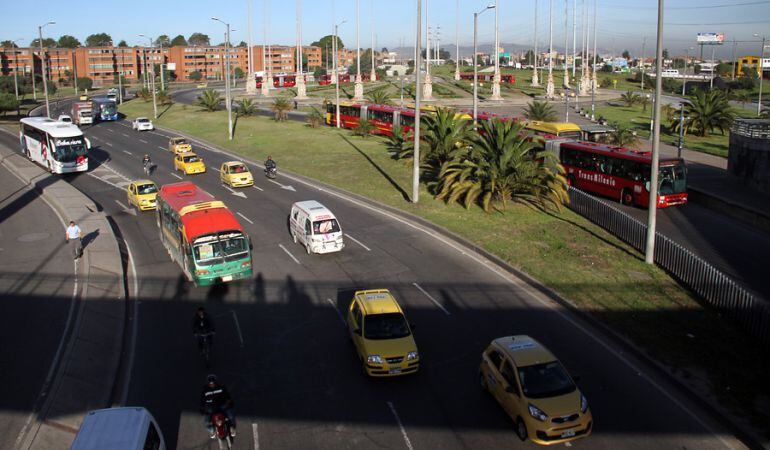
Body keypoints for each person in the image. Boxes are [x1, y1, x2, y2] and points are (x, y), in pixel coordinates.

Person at [200, 374, 236, 439]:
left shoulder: (221, 388)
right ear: (208, 383)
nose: (212, 385)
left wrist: (230, 402)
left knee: (231, 415)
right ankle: (212, 431)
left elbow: (227, 395)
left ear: (216, 382)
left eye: (213, 383)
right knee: (207, 422)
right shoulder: (205, 391)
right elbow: (202, 400)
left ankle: (232, 427)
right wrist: (202, 408)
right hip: (211, 408)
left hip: (222, 405)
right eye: (210, 384)